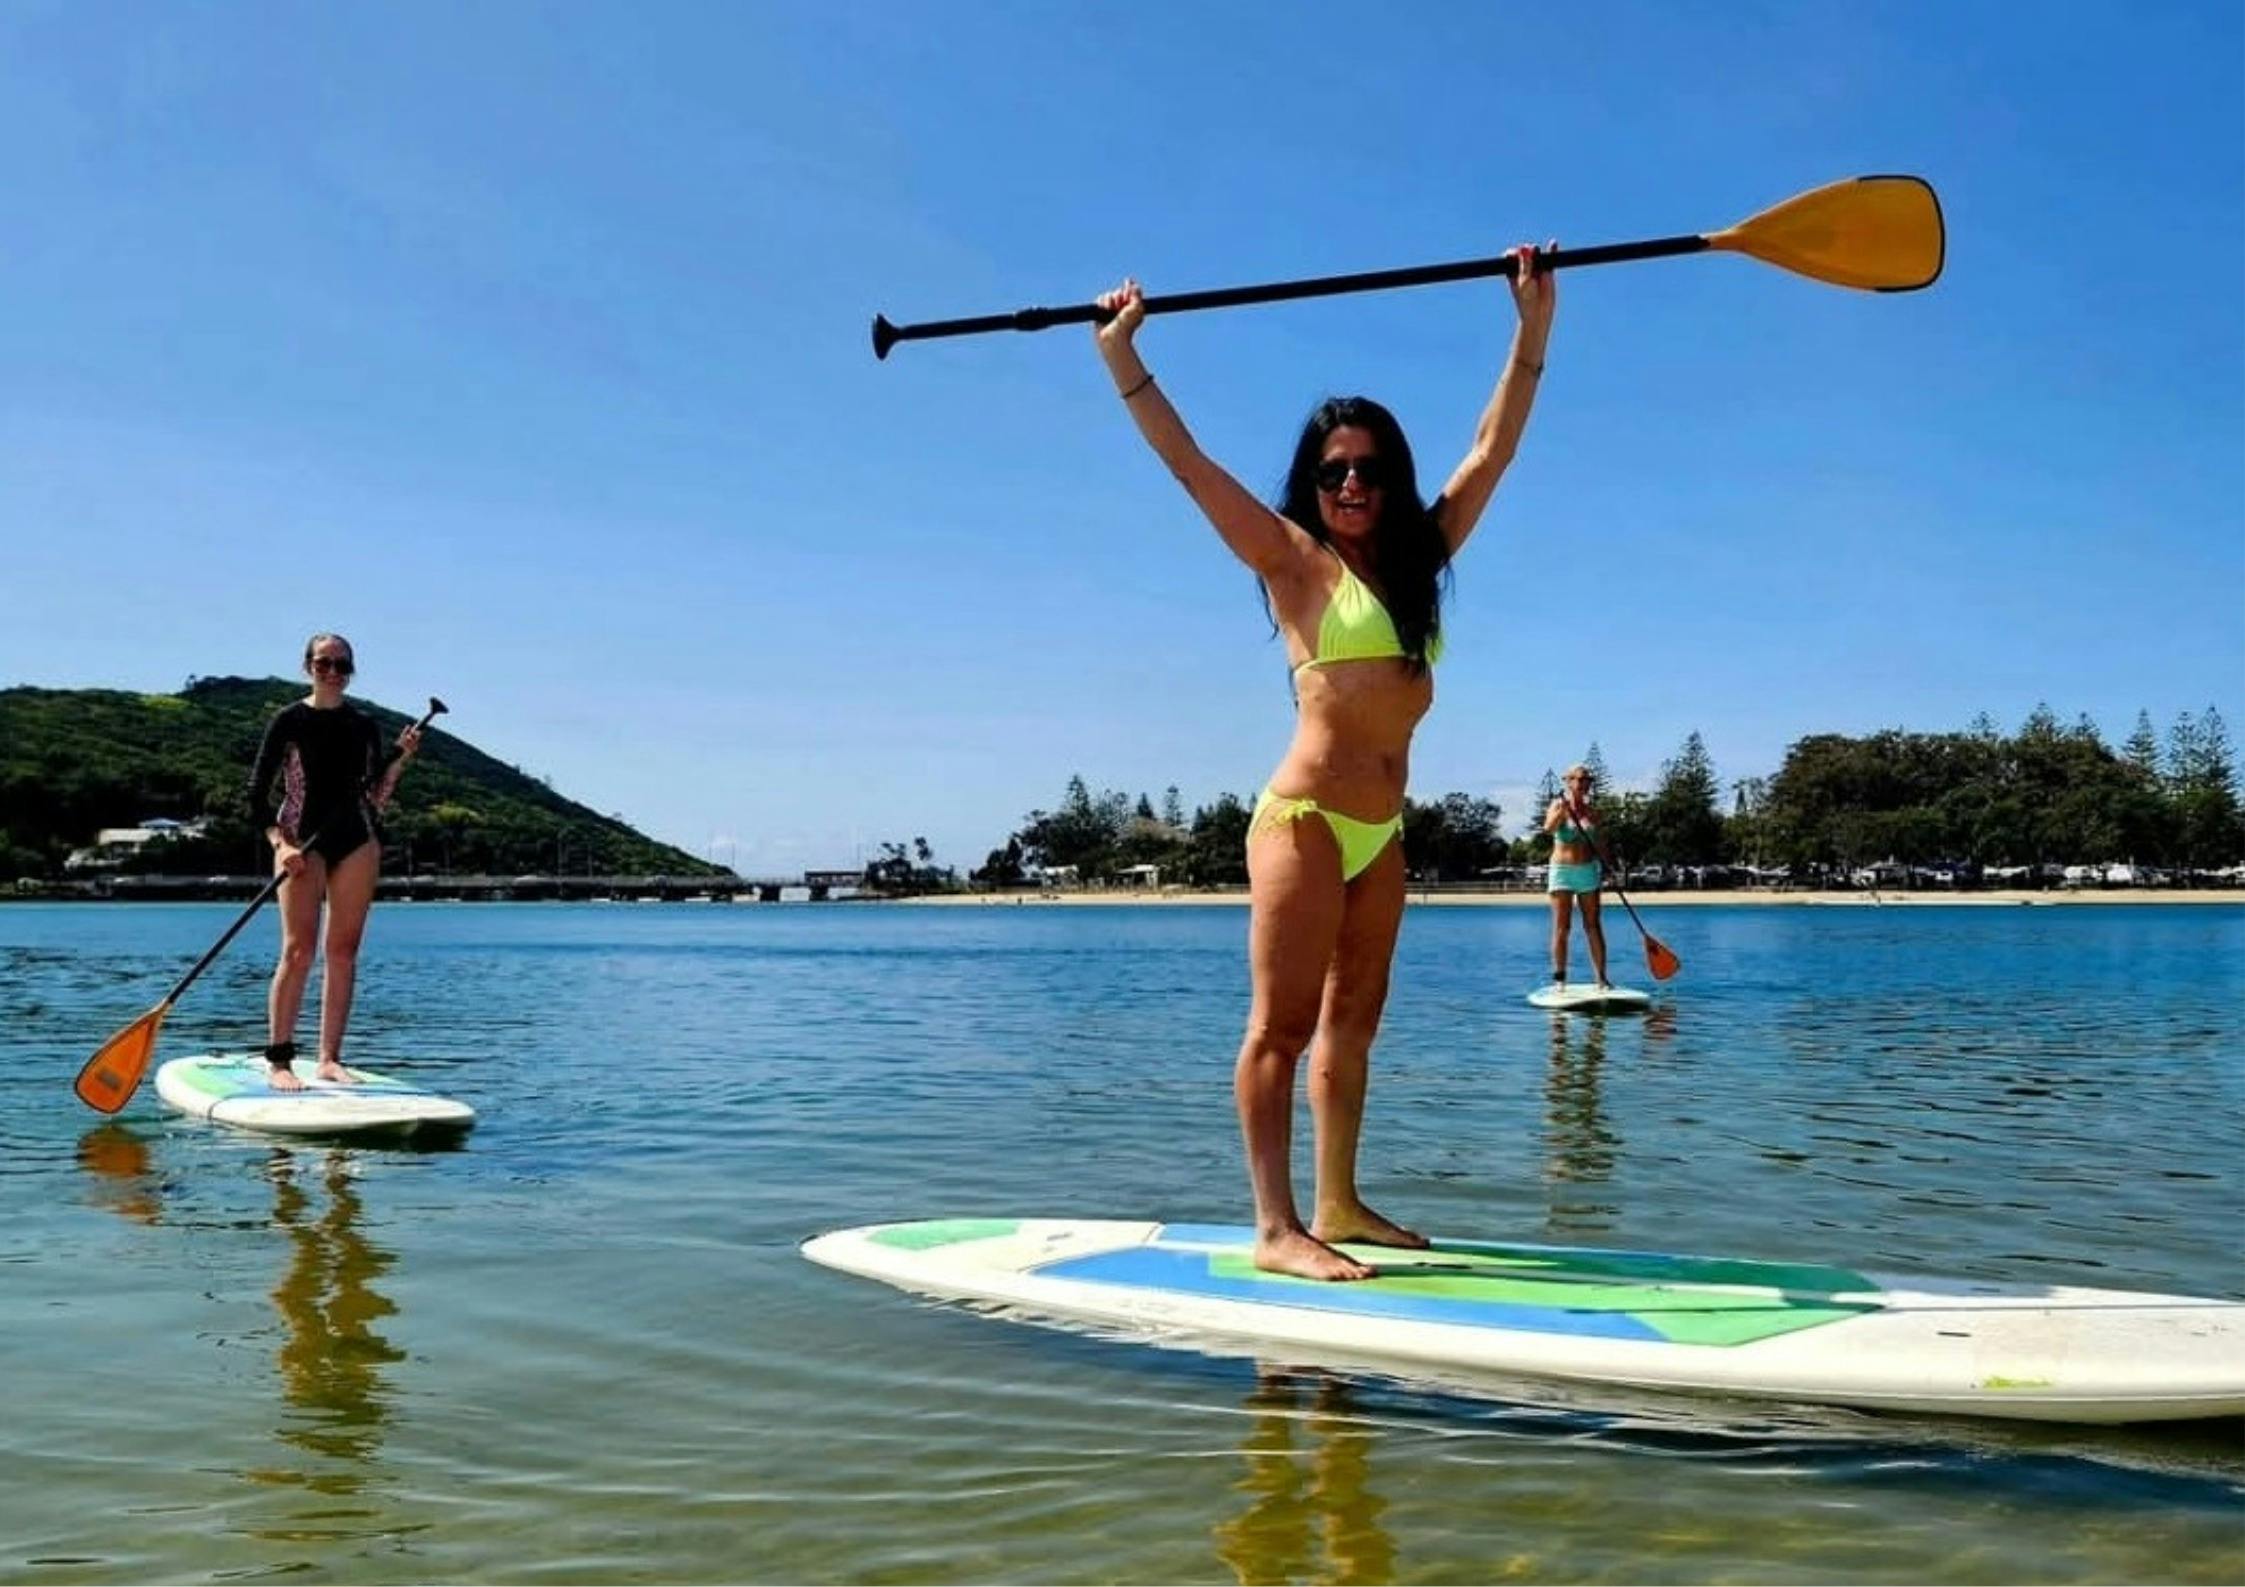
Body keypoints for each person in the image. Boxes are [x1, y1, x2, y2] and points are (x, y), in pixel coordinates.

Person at [1092, 244, 1556, 1281]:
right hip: (1300, 824)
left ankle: (1338, 1203)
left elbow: (1492, 450)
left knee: (1353, 1026)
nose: (1351, 481)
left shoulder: (1421, 567)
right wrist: (1122, 357)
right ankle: (1273, 1226)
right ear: (1312, 481)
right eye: (1332, 469)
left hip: (1381, 837)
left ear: (1390, 479)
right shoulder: (1289, 563)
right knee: (1283, 1026)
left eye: (1370, 468)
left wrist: (1531, 326)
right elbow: (1190, 466)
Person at [244, 634, 422, 1091]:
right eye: (324, 663)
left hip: (356, 841)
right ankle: (280, 1061)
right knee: (298, 951)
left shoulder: (364, 724)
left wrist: (399, 761)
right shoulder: (288, 720)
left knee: (342, 953)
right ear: (308, 666)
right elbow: (255, 795)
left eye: (342, 665)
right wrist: (279, 844)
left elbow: (374, 797)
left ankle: (328, 1059)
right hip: (300, 839)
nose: (333, 672)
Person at [1542, 764, 1609, 989]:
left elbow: (1599, 841)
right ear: (1568, 782)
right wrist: (1563, 812)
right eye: (1577, 780)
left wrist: (1608, 863)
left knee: (1593, 926)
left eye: (1586, 780)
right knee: (1563, 927)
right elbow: (1548, 828)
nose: (1582, 784)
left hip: (1587, 870)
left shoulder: (1593, 810)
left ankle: (1601, 979)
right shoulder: (1557, 804)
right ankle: (1560, 980)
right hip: (1562, 871)